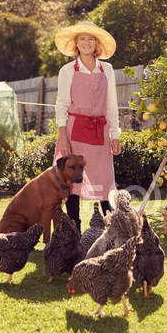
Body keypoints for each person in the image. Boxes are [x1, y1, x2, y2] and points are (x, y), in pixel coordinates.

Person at [53, 21, 121, 231]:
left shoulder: (107, 70)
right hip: (74, 132)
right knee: (73, 182)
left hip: (100, 131)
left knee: (104, 180)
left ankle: (111, 230)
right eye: (82, 38)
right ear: (76, 43)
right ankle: (74, 230)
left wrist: (114, 133)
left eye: (90, 39)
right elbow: (62, 105)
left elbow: (112, 105)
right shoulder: (67, 71)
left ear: (96, 43)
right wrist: (63, 137)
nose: (86, 42)